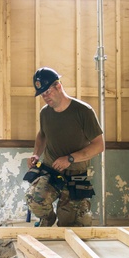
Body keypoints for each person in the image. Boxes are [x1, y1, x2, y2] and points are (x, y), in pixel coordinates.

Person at [24, 67, 105, 227]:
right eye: (42, 94)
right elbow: (42, 134)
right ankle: (47, 218)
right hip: (51, 171)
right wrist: (36, 154)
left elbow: (99, 145)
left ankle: (68, 217)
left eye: (47, 92)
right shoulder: (45, 113)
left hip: (76, 174)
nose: (45, 97)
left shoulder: (83, 111)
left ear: (58, 86)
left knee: (72, 225)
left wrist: (70, 158)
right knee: (34, 200)